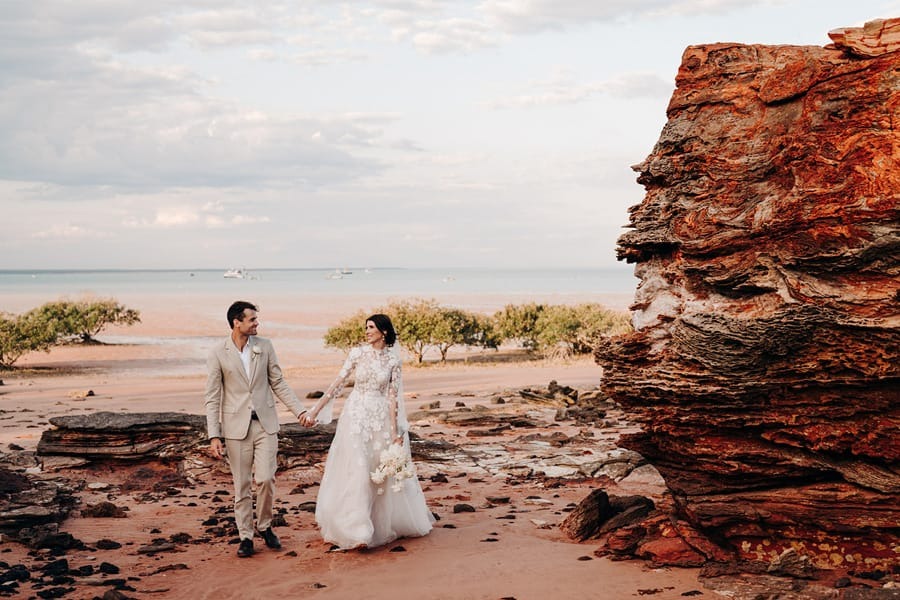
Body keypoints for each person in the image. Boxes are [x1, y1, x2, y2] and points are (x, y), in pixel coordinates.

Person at [301, 314, 434, 550]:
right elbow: (337, 385)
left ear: (383, 331)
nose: (367, 331)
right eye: (366, 327)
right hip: (355, 417)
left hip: (380, 420)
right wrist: (314, 411)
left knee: (377, 472)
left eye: (371, 327)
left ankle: (376, 525)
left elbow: (393, 398)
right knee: (358, 468)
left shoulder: (393, 361)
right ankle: (357, 531)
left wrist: (395, 433)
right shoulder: (357, 354)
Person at [205, 300, 311, 558]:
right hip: (235, 428)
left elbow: (279, 382)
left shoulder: (265, 346)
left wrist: (300, 411)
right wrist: (214, 434)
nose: (257, 324)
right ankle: (245, 536)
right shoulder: (218, 352)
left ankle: (264, 526)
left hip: (266, 424)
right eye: (252, 320)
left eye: (256, 319)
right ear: (236, 322)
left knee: (265, 478)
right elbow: (212, 396)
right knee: (241, 485)